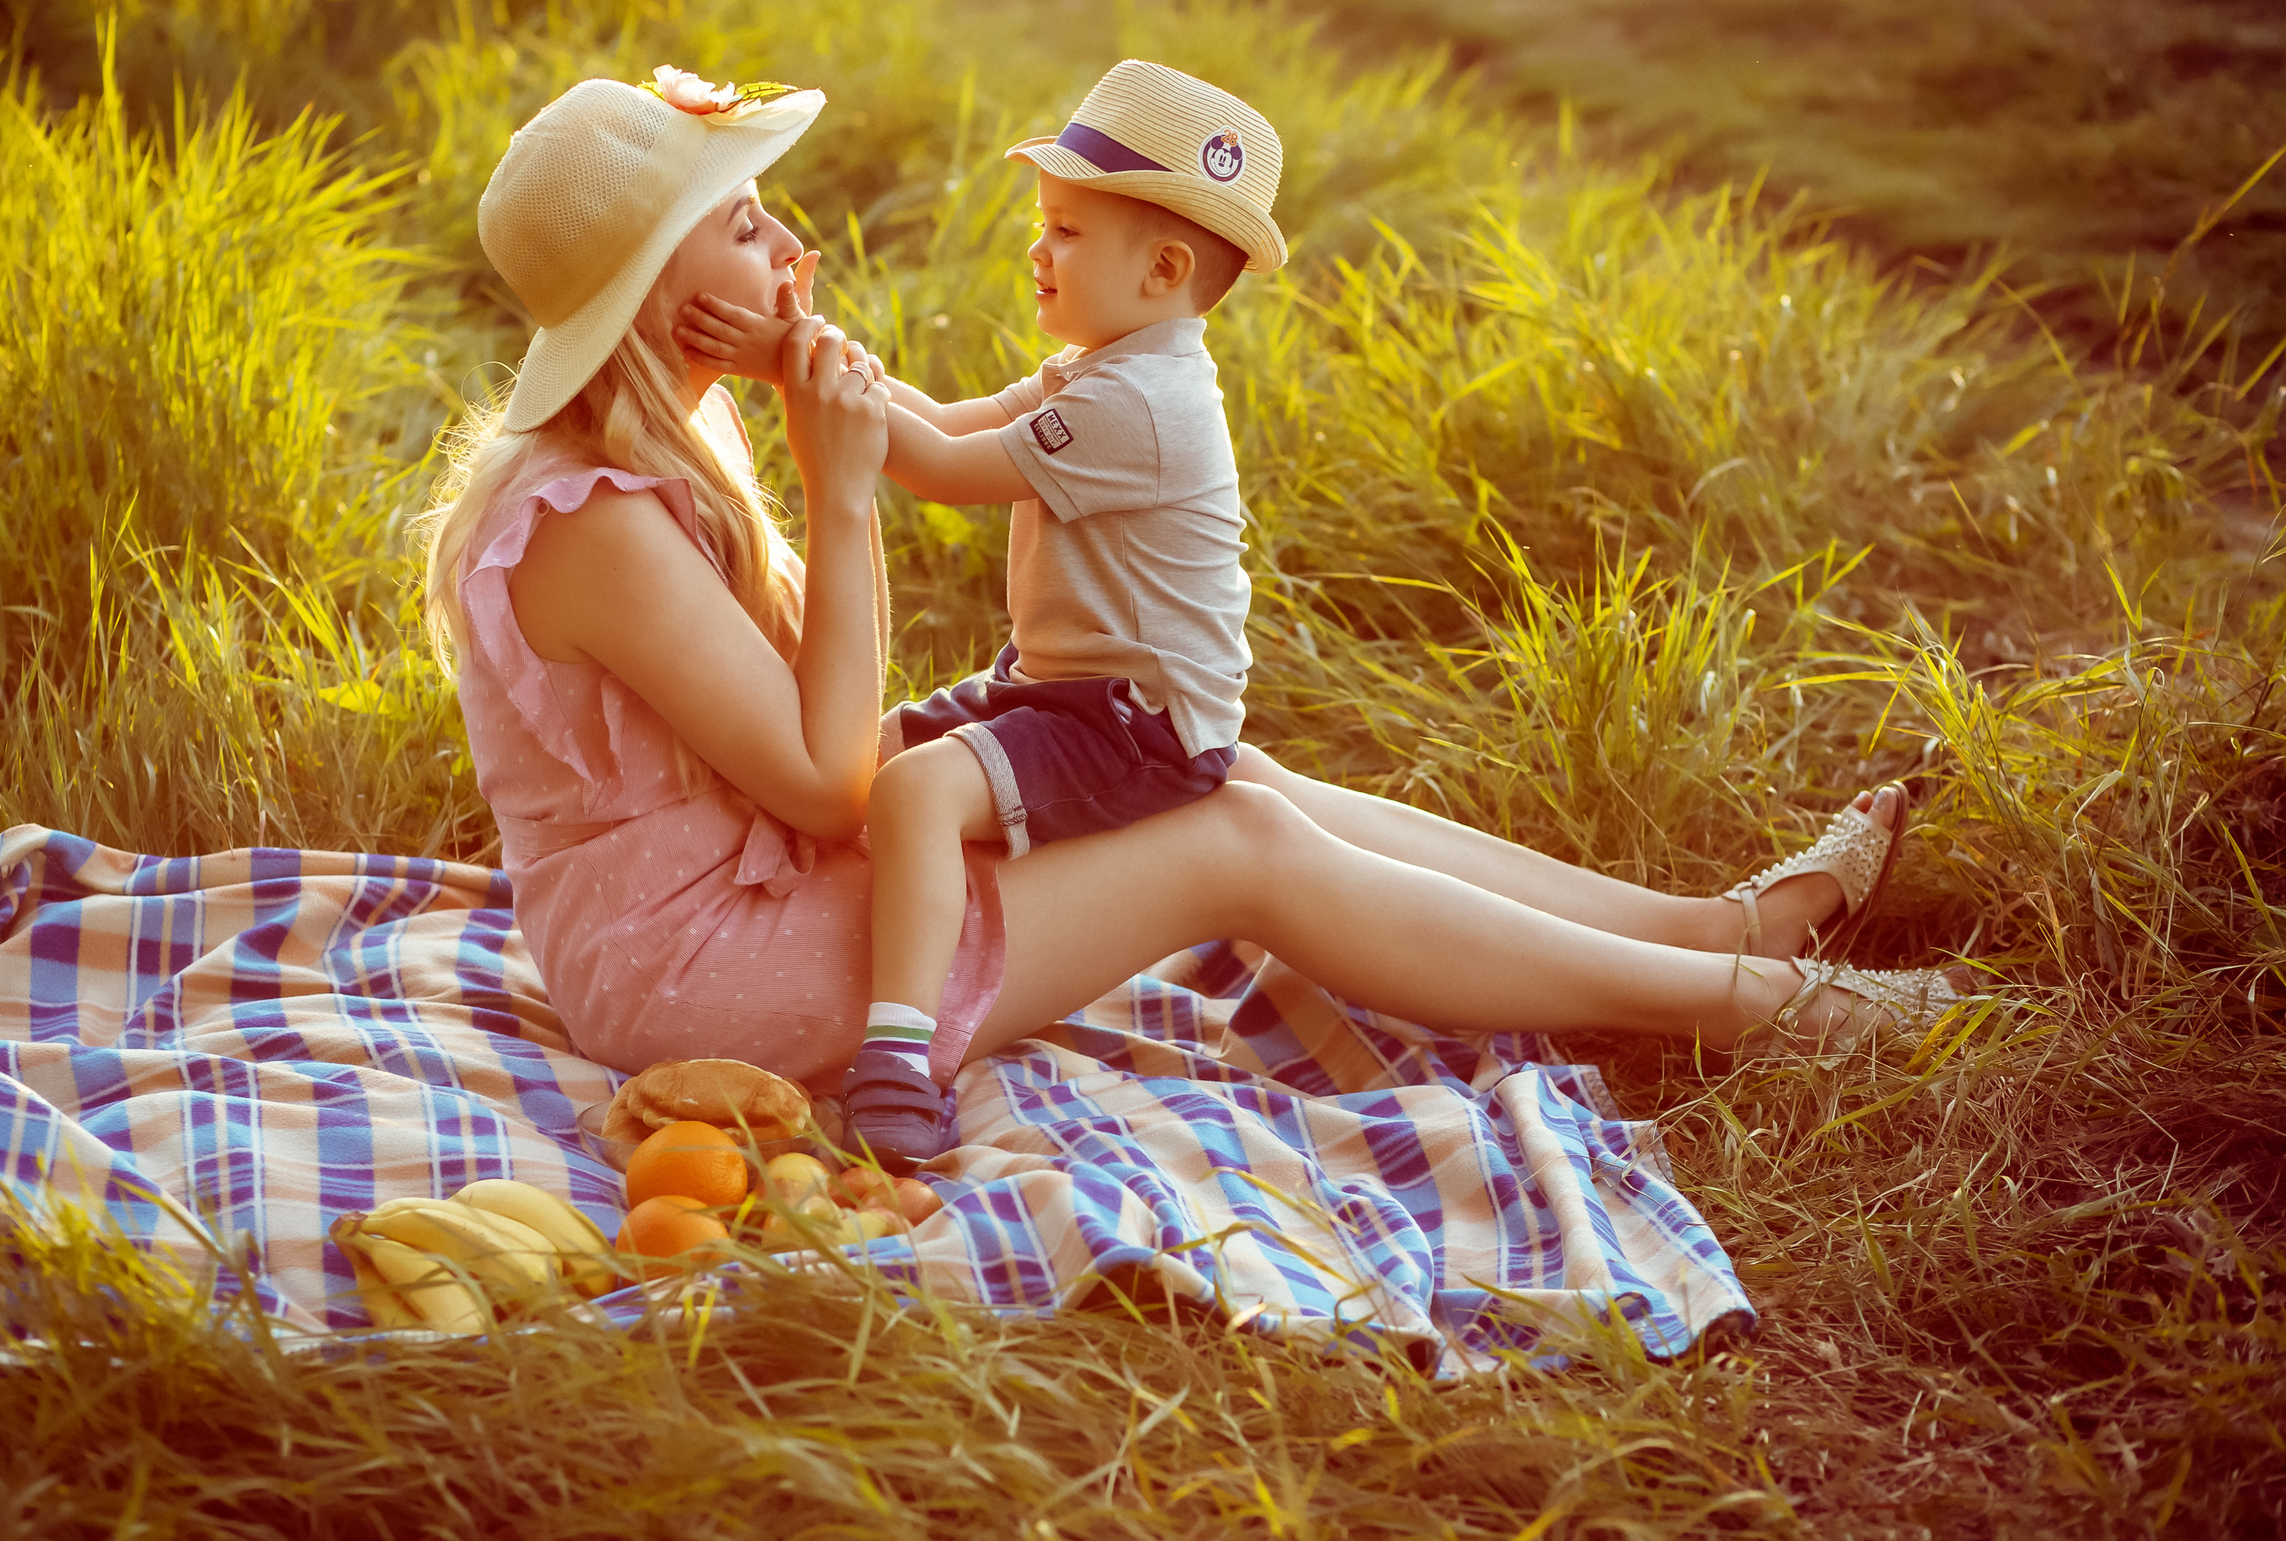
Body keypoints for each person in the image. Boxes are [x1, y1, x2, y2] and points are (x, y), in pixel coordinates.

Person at [416, 65, 1961, 1159]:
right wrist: (842, 494)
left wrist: (839, 451)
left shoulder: (664, 456)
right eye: (746, 224)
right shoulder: (593, 522)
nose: (793, 248)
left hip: (760, 875)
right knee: (1235, 842)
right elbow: (830, 780)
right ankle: (1755, 1006)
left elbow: (818, 752)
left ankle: (1714, 932)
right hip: (699, 971)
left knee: (1232, 775)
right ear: (655, 287)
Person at [679, 61, 1278, 1167]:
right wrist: (811, 352)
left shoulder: (1141, 404)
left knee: (913, 793)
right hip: (1061, 689)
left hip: (1132, 724)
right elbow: (944, 416)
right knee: (866, 759)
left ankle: (899, 1051)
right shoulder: (1105, 367)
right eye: (1043, 224)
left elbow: (942, 468)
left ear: (1162, 269)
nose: (1037, 249)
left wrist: (792, 370)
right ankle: (831, 930)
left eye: (1065, 231)